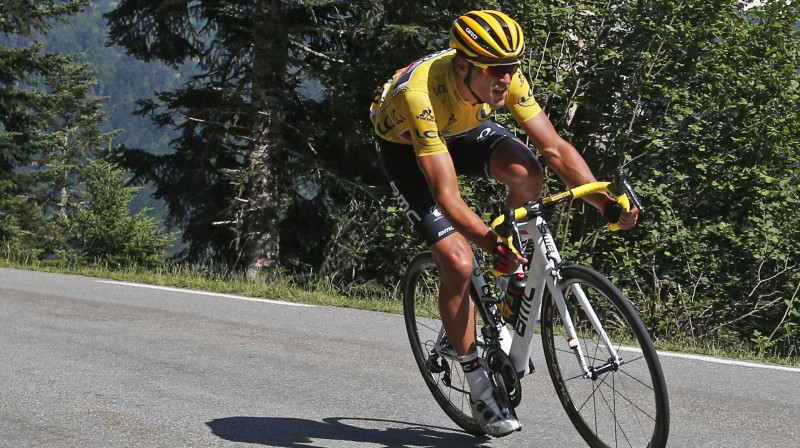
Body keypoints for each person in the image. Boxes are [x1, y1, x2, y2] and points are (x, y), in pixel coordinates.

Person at [369, 10, 638, 437]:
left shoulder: (504, 79)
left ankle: (513, 280)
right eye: (497, 70)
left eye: (513, 68)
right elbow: (447, 197)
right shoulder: (419, 94)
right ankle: (477, 382)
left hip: (461, 129)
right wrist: (491, 244)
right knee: (457, 262)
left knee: (530, 174)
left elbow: (553, 147)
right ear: (463, 66)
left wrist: (602, 200)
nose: (507, 79)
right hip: (409, 149)